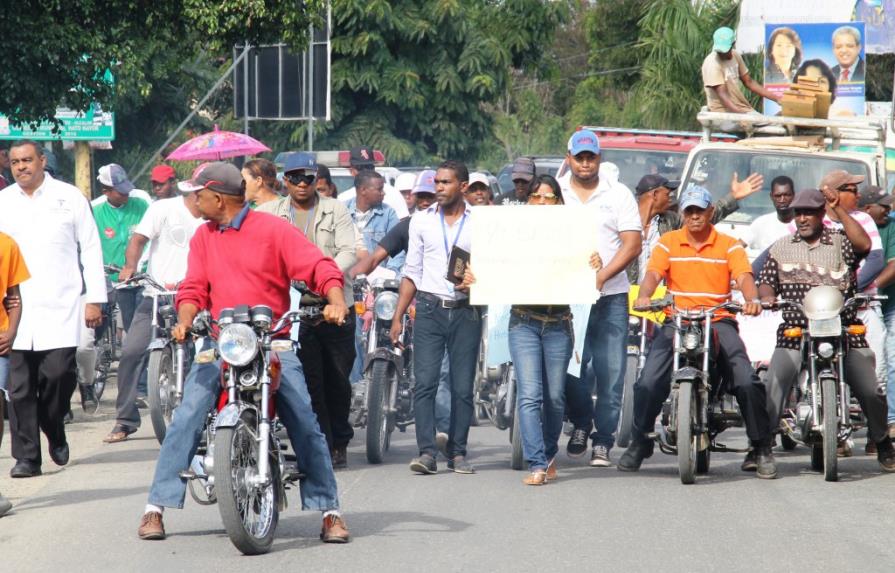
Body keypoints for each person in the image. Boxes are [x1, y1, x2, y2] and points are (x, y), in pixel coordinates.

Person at [137, 162, 350, 543]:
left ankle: (329, 509)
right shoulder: (204, 236)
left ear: (217, 198)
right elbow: (193, 288)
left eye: (198, 194)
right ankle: (156, 506)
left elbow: (319, 266)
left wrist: (336, 301)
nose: (193, 200)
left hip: (274, 341)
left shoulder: (273, 230)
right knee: (186, 416)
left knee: (304, 417)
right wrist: (185, 320)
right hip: (223, 341)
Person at [618, 185, 776, 478]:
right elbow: (654, 273)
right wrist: (645, 294)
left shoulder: (729, 244)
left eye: (699, 211)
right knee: (648, 382)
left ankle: (761, 446)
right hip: (676, 318)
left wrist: (752, 299)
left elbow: (743, 275)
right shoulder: (668, 242)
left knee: (746, 379)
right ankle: (640, 442)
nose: (694, 217)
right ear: (682, 213)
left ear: (710, 212)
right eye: (689, 211)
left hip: (717, 318)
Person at [758, 187, 895, 471]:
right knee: (775, 382)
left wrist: (840, 210)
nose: (803, 218)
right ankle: (761, 449)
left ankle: (882, 443)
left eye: (809, 212)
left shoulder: (840, 243)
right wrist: (767, 295)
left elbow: (865, 246)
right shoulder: (782, 246)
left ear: (822, 214)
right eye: (799, 213)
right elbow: (765, 277)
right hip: (797, 330)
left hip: (842, 329)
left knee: (871, 389)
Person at [0, 140, 106, 478]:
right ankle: (27, 457)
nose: (21, 167)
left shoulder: (69, 197)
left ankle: (54, 426)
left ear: (42, 161)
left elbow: (90, 248)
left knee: (58, 376)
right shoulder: (3, 202)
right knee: (18, 389)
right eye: (15, 162)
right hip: (13, 311)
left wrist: (94, 297)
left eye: (27, 160)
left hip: (61, 305)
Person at [258, 152, 358, 468]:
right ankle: (324, 446)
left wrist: (319, 275)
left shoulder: (335, 210)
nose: (302, 184)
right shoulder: (267, 213)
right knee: (308, 380)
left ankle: (341, 438)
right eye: (295, 177)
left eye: (308, 178)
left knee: (338, 380)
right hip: (292, 310)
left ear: (317, 180)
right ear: (284, 180)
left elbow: (348, 252)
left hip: (333, 303)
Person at [389, 161, 481, 475]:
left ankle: (458, 452)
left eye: (445, 183)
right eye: (437, 182)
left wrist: (480, 280)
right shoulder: (421, 222)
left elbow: (496, 266)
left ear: (463, 187)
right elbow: (411, 271)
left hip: (466, 310)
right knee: (424, 383)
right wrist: (398, 316)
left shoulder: (480, 223)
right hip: (429, 309)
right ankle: (427, 452)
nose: (438, 188)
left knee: (462, 387)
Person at [102, 167, 205, 443]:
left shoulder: (213, 217)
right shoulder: (163, 209)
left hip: (197, 298)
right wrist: (129, 266)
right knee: (132, 352)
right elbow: (138, 240)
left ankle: (205, 415)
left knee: (205, 355)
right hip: (156, 294)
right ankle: (125, 420)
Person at [558, 129, 641, 467]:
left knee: (611, 372)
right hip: (566, 298)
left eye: (591, 156)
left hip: (610, 297)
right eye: (580, 157)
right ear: (569, 159)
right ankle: (581, 421)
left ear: (599, 159)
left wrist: (601, 276)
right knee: (569, 369)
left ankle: (603, 439)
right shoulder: (555, 192)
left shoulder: (618, 194)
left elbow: (632, 244)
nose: (586, 163)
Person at [93, 163, 150, 331]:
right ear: (106, 191)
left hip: (143, 278)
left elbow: (152, 238)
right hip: (116, 282)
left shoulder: (142, 201)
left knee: (143, 328)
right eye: (120, 191)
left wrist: (137, 266)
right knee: (128, 328)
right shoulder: (95, 210)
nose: (126, 193)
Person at [702, 26, 781, 117]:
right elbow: (723, 95)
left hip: (741, 108)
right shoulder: (712, 64)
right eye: (720, 51)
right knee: (765, 124)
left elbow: (749, 82)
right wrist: (742, 117)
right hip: (722, 113)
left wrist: (777, 99)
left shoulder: (736, 56)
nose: (722, 53)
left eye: (725, 51)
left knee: (773, 122)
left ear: (733, 44)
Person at [869, 187, 895, 443]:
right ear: (867, 209)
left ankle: (888, 422)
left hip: (887, 303)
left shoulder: (892, 225)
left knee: (888, 360)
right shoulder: (852, 227)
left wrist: (870, 288)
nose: (888, 210)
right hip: (855, 304)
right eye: (883, 205)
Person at [338, 146, 409, 218]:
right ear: (351, 171)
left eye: (369, 167)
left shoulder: (393, 194)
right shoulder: (343, 199)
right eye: (360, 168)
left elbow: (403, 224)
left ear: (374, 168)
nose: (365, 171)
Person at [741, 175, 796, 260]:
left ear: (793, 195)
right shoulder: (761, 223)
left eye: (787, 195)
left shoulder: (803, 223)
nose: (782, 199)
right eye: (778, 196)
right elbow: (736, 248)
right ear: (771, 196)